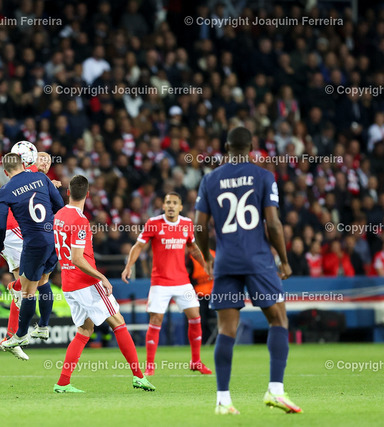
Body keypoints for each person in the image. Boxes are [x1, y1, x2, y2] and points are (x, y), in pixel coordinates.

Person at [194, 126, 302, 415]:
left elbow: (199, 226)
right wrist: (284, 260)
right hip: (258, 261)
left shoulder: (210, 179)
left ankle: (222, 400)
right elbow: (273, 223)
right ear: (251, 148)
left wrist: (206, 258)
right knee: (278, 319)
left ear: (226, 148)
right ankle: (275, 390)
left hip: (226, 261)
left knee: (226, 329)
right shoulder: (264, 176)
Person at [53, 174, 155, 392]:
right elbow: (77, 258)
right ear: (88, 195)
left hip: (68, 283)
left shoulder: (59, 215)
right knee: (118, 322)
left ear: (68, 193)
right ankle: (139, 376)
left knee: (85, 330)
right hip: (86, 283)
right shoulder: (80, 221)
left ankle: (63, 382)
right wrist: (102, 276)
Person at [121, 192, 212, 376]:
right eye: (168, 202)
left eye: (174, 203)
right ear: (163, 206)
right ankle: (150, 366)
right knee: (156, 320)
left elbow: (193, 248)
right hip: (160, 282)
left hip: (182, 281)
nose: (171, 206)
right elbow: (138, 246)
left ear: (180, 207)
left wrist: (205, 265)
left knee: (195, 316)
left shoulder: (187, 224)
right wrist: (128, 266)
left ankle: (196, 361)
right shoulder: (153, 223)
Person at [0, 152, 61, 360]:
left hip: (32, 241)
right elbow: (59, 205)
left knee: (27, 291)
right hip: (52, 238)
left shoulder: (5, 190)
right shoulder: (41, 178)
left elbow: (1, 223)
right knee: (43, 281)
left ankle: (20, 335)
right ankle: (43, 327)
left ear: (5, 172)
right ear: (24, 164)